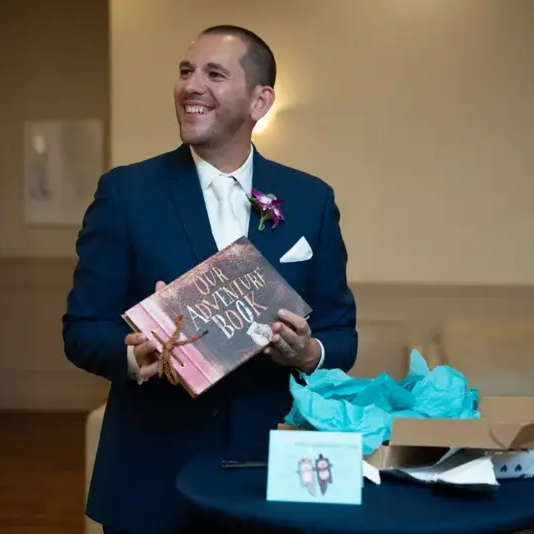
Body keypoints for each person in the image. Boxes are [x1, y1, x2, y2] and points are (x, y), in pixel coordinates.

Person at [62, 24, 357, 534]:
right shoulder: (125, 193)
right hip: (154, 474)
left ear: (260, 101)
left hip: (272, 472)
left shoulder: (311, 200)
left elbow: (341, 336)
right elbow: (82, 329)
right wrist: (135, 355)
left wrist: (309, 354)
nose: (190, 86)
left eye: (214, 74)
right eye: (185, 71)